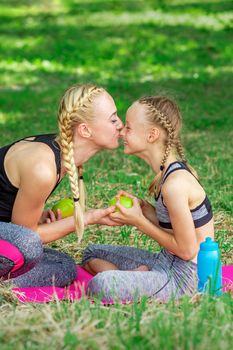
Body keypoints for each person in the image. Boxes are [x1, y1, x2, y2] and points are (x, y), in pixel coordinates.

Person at [82, 95, 214, 302]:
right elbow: (173, 225)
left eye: (129, 127)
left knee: (100, 285)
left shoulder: (174, 185)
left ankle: (138, 279)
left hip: (183, 278)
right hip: (165, 260)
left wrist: (139, 221)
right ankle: (139, 277)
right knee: (91, 252)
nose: (121, 131)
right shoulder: (167, 174)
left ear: (152, 135)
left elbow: (187, 251)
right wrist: (143, 208)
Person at [0, 84, 123, 288]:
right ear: (85, 130)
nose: (120, 124)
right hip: (19, 241)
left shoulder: (58, 153)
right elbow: (24, 238)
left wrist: (39, 216)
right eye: (113, 119)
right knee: (30, 246)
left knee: (63, 265)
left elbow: (17, 223)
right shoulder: (43, 167)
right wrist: (88, 218)